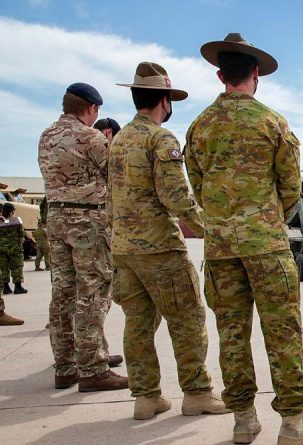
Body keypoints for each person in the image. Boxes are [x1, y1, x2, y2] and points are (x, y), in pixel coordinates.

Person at [186, 33, 303, 445]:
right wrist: (266, 220)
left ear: (219, 75)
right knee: (282, 331)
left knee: (231, 333)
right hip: (266, 245)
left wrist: (224, 220)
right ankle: (293, 422)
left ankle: (244, 420)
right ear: (255, 74)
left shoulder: (199, 127)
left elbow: (196, 185)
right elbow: (290, 189)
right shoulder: (272, 122)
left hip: (220, 249)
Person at [109, 61, 229, 420]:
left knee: (138, 324)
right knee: (188, 319)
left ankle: (146, 398)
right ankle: (197, 393)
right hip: (160, 249)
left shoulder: (119, 140)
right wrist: (212, 230)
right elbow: (177, 197)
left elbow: (111, 198)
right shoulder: (160, 139)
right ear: (165, 100)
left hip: (124, 250)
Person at [38, 82, 128, 392]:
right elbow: (117, 176)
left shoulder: (46, 136)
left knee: (62, 292)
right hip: (87, 220)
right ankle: (93, 369)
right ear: (90, 109)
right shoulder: (90, 137)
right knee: (92, 293)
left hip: (56, 219)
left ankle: (66, 366)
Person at [0, 203, 27, 295]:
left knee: (4, 268)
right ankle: (18, 287)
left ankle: (6, 288)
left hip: (1, 249)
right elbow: (21, 235)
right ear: (11, 211)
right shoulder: (16, 221)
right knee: (17, 267)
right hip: (15, 249)